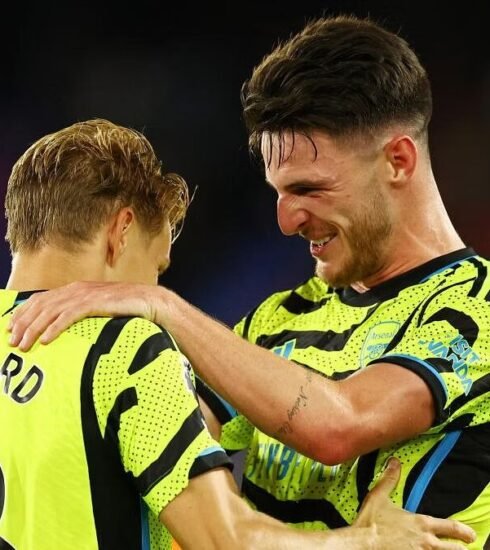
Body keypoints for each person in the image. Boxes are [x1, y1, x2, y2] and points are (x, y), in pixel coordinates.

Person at [7, 12, 489, 547]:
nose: (285, 220)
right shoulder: (276, 320)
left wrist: (157, 303)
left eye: (309, 188)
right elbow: (159, 450)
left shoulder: (477, 305)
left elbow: (340, 424)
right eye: (277, 192)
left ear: (397, 160)